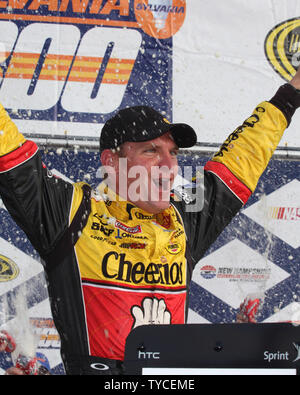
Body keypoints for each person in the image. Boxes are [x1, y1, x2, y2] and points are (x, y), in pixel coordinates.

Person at [1, 69, 300, 375]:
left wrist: (291, 93)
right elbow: (8, 151)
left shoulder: (184, 220)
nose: (170, 166)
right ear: (111, 163)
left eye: (173, 153)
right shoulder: (71, 212)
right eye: (151, 151)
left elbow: (241, 160)